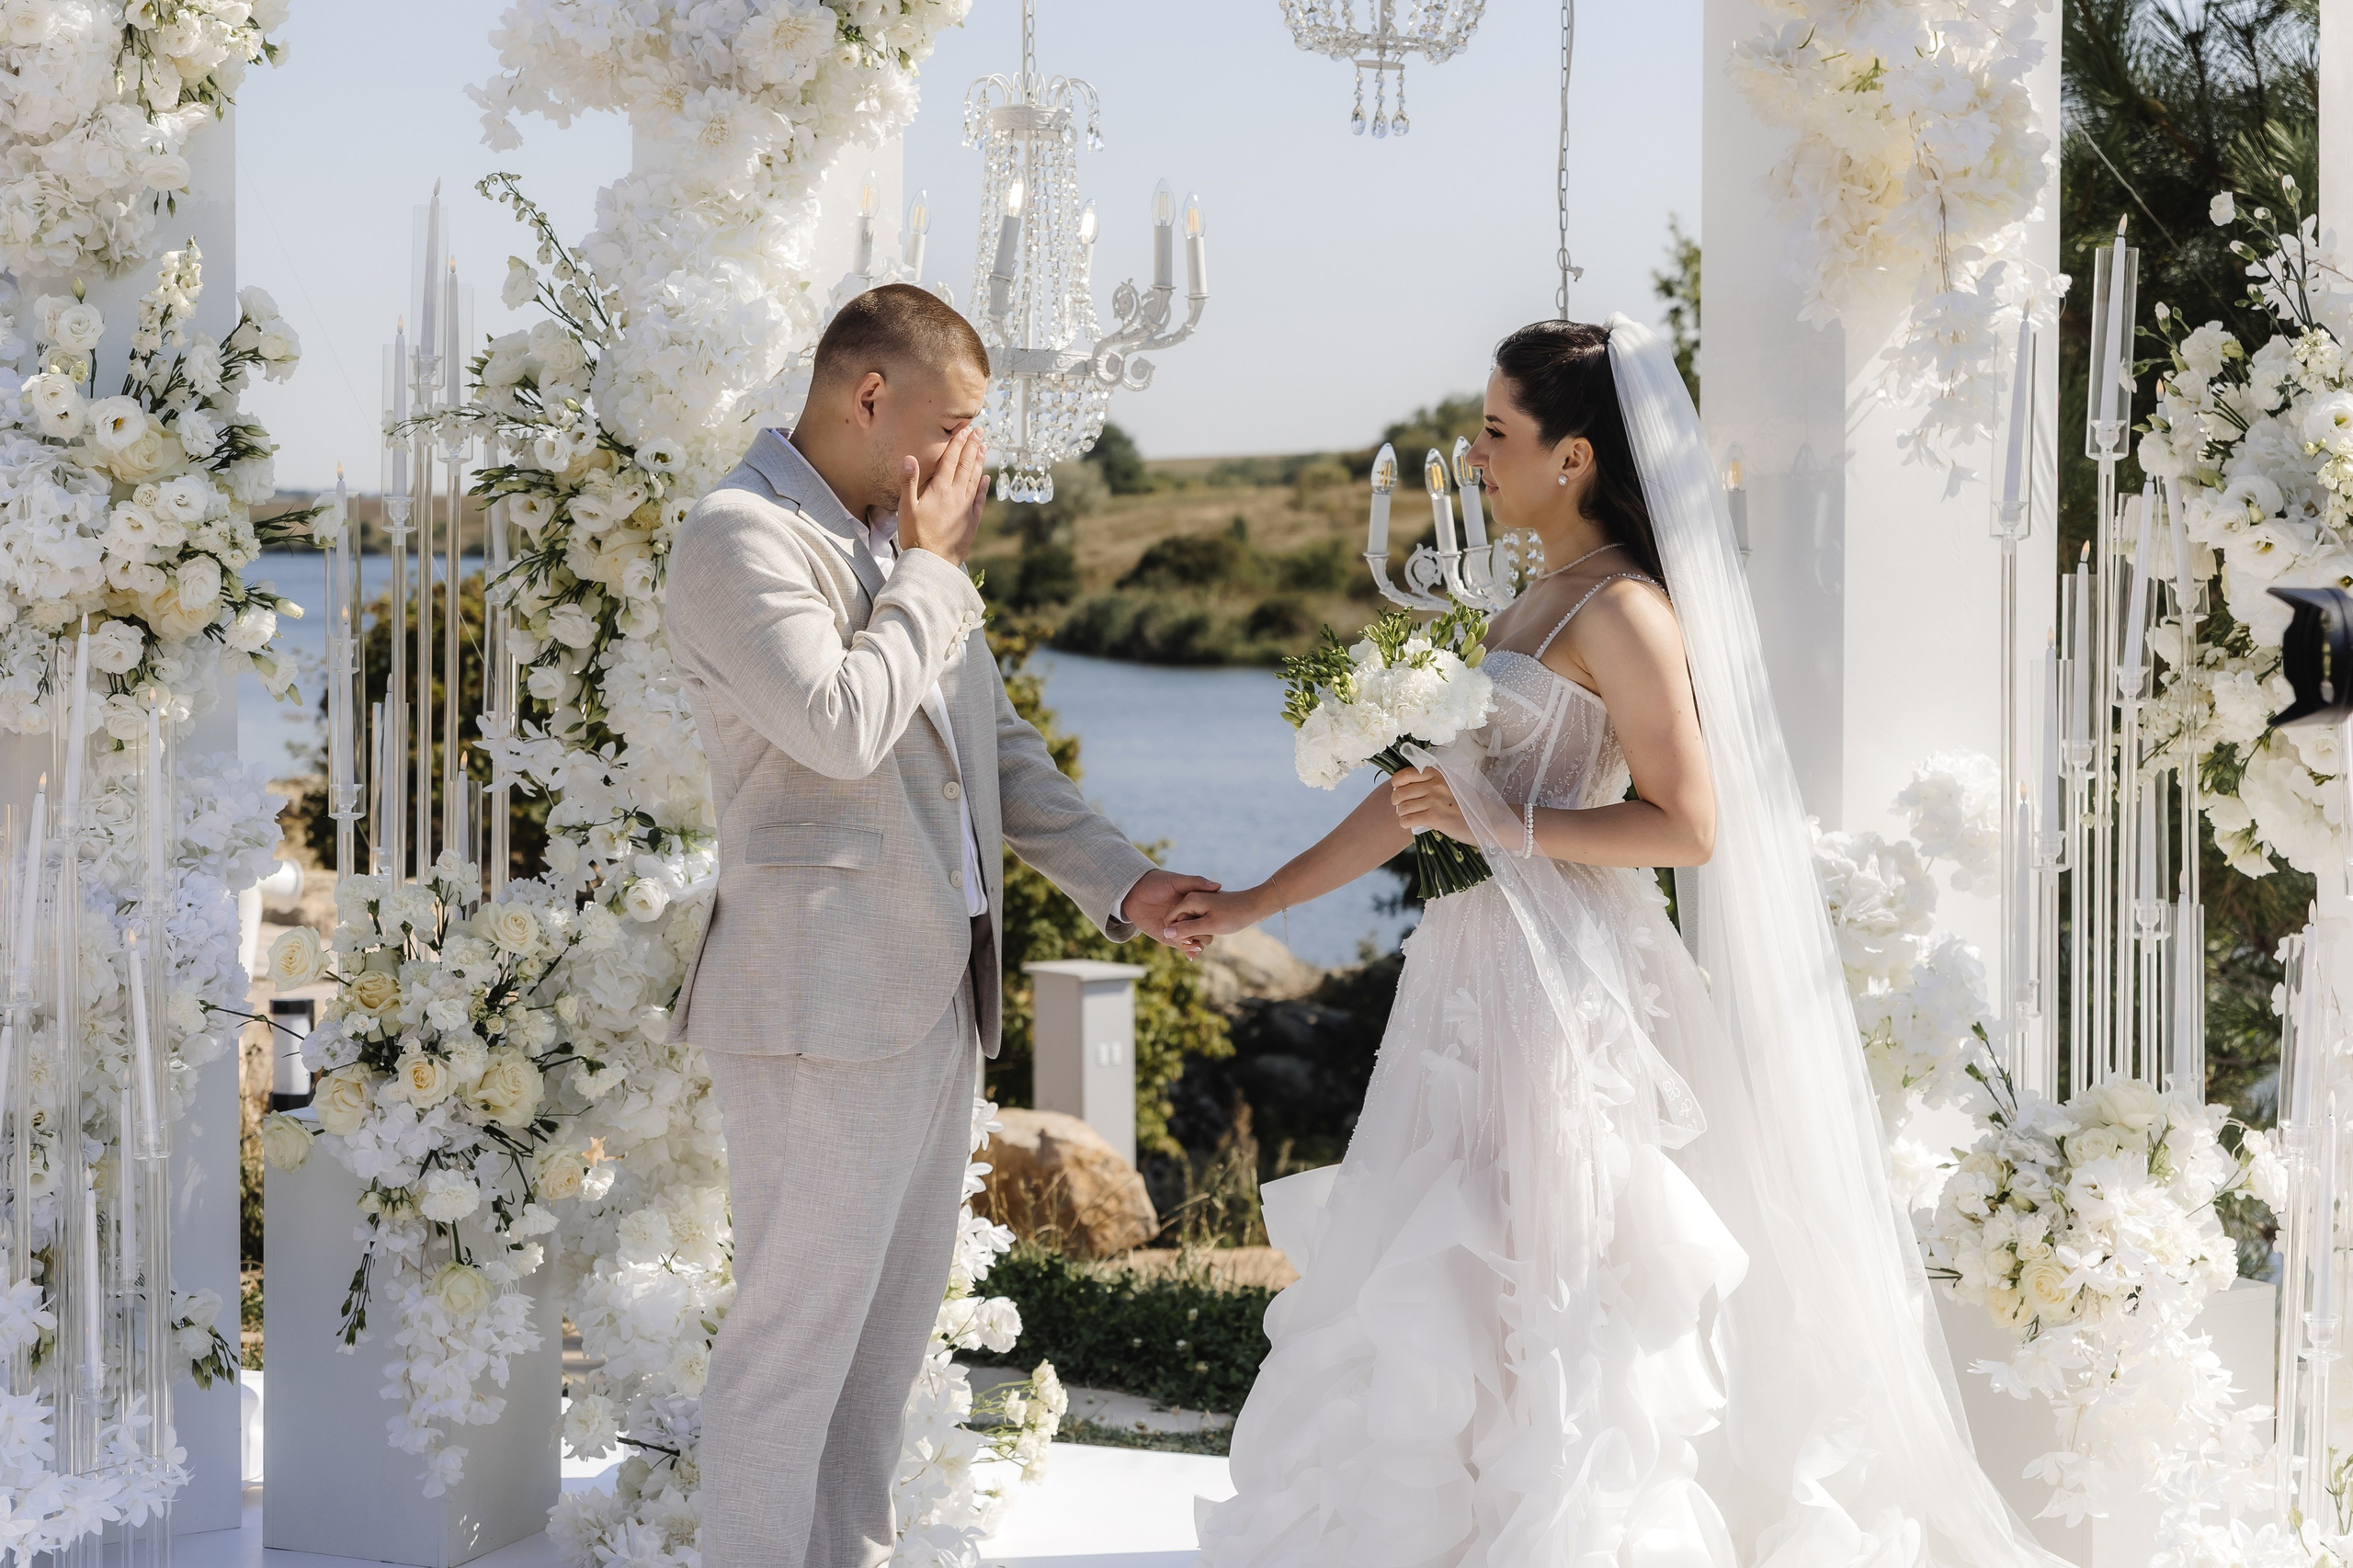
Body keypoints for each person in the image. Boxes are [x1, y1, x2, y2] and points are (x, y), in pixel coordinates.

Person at [1170, 317, 2064, 1565]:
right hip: (1473, 974)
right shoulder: (1525, 595)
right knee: (1448, 1264)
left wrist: (1510, 821)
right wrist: (1257, 900)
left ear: (1574, 455)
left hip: (1565, 985)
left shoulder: (1628, 612)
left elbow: (1687, 824)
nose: (1474, 452)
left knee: (1561, 1274)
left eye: (1496, 430)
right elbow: (1420, 795)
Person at [664, 282, 1216, 1568]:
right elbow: (841, 726)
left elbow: (996, 756)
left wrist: (1127, 884)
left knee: (879, 1359)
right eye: (956, 424)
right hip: (820, 1009)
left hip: (933, 1001)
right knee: (790, 1348)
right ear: (871, 399)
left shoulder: (899, 551)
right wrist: (927, 571)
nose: (974, 459)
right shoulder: (739, 538)